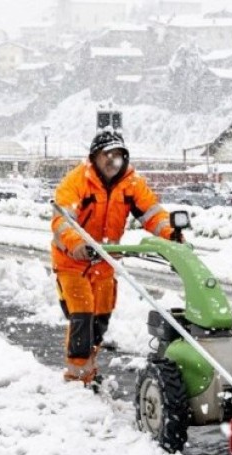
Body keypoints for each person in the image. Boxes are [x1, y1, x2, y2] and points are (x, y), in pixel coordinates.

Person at [51, 129, 178, 385]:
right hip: (73, 261)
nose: (112, 161)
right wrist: (77, 243)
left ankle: (89, 367)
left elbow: (152, 214)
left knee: (100, 318)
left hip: (105, 261)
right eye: (107, 155)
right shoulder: (77, 181)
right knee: (83, 315)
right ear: (94, 157)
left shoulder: (132, 184)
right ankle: (76, 376)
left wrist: (172, 235)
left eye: (118, 155)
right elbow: (63, 221)